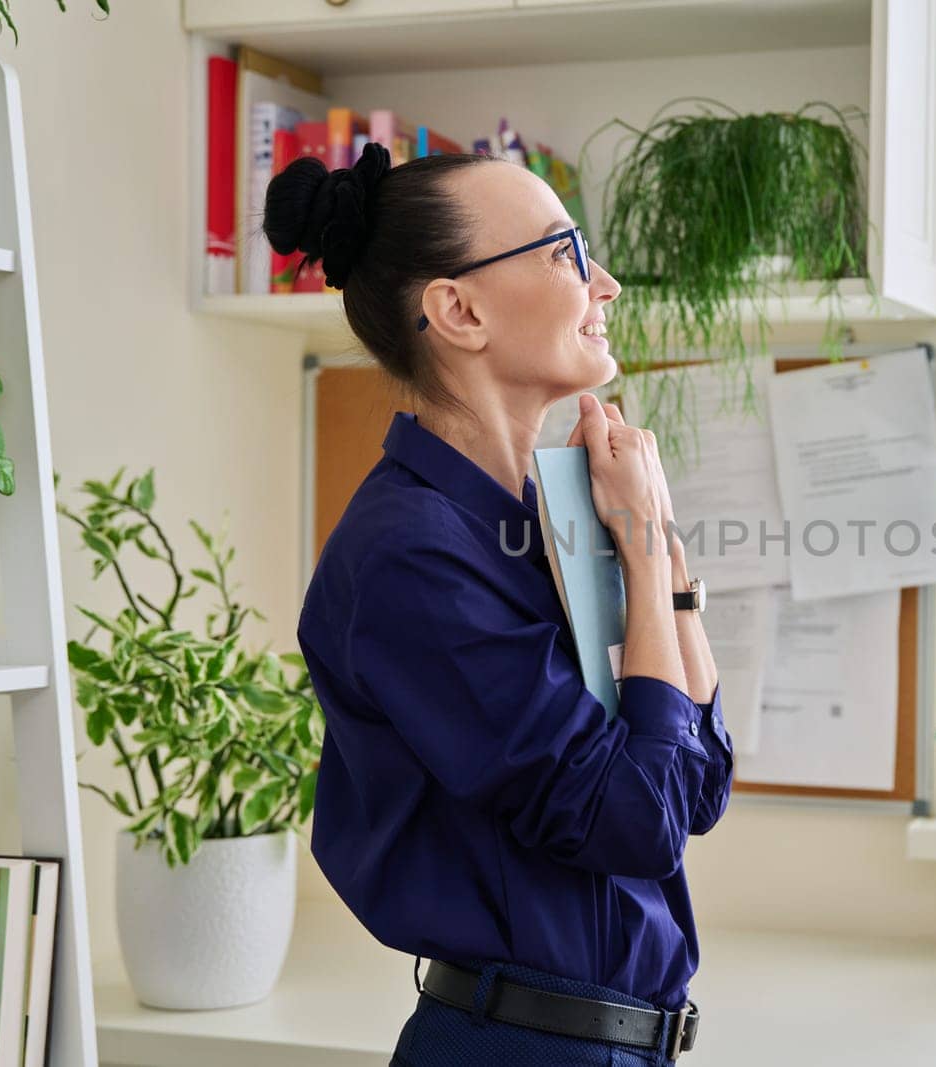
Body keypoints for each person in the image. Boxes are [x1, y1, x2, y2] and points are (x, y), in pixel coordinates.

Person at [267, 142, 733, 1066]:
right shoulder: (413, 555)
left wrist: (659, 552)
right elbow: (634, 818)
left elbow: (698, 783)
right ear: (460, 309)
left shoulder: (546, 518)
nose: (604, 283)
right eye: (565, 251)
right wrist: (642, 551)